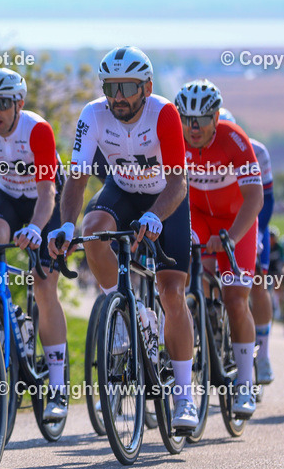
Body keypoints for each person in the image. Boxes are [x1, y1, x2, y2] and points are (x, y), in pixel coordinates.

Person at [48, 46, 199, 430]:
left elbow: (179, 182)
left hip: (165, 196)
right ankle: (127, 310)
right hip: (122, 189)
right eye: (111, 86)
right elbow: (78, 177)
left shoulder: (164, 113)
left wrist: (155, 214)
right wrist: (66, 224)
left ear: (146, 87)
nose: (118, 96)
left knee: (171, 292)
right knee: (91, 230)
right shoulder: (93, 115)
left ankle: (184, 397)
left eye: (127, 87)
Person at [0, 68, 69, 420]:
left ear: (18, 103)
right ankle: (1, 305)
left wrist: (35, 229)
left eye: (1, 103)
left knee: (44, 284)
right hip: (8, 195)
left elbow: (47, 193)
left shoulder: (37, 129)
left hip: (45, 201)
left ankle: (58, 387)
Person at [177, 82, 263, 416]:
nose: (192, 128)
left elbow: (254, 198)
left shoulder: (233, 139)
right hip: (197, 216)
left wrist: (229, 236)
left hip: (236, 220)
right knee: (178, 279)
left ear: (215, 116)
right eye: (186, 119)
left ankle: (244, 384)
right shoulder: (176, 136)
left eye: (200, 120)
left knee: (236, 297)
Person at [221, 108, 276, 384]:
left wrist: (257, 235)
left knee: (257, 281)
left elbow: (264, 202)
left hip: (249, 217)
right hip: (217, 218)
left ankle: (263, 357)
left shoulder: (257, 151)